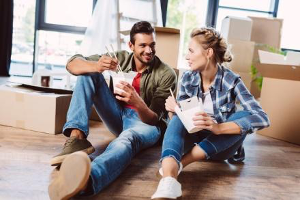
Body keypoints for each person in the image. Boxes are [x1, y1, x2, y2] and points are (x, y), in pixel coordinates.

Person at [48, 21, 177, 199]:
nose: (149, 50)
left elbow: (154, 119)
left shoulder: (166, 73)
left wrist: (137, 102)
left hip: (145, 123)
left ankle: (87, 180)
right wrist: (96, 66)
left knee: (127, 139)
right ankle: (76, 138)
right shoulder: (119, 58)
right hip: (118, 114)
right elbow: (72, 64)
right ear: (131, 45)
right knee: (88, 74)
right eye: (143, 45)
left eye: (152, 45)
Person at [151, 27, 270, 199]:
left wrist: (218, 128)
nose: (186, 56)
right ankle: (169, 181)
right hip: (193, 139)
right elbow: (178, 125)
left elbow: (263, 118)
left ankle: (181, 163)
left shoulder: (231, 80)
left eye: (191, 51)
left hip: (220, 148)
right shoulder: (187, 78)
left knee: (243, 115)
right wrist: (174, 110)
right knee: (178, 115)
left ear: (208, 53)